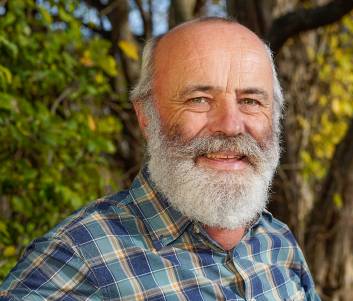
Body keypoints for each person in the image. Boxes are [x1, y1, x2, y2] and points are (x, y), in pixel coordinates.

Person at [0, 17, 320, 300]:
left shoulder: (278, 243)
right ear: (147, 118)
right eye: (199, 99)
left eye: (250, 100)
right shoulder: (79, 258)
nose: (231, 126)